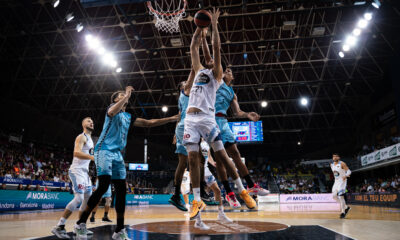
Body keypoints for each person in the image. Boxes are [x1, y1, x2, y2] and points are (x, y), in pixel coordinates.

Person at [183, 8, 256, 230]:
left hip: (207, 119)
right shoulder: (197, 71)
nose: (212, 60)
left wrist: (213, 24)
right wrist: (198, 29)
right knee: (193, 160)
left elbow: (216, 47)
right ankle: (196, 200)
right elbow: (193, 48)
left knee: (224, 157)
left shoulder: (216, 75)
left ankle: (242, 190)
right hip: (190, 120)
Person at [74, 86, 178, 239]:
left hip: (117, 154)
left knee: (122, 191)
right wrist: (127, 94)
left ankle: (119, 230)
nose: (125, 97)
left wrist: (171, 118)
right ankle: (80, 224)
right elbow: (111, 111)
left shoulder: (128, 117)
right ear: (116, 99)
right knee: (103, 185)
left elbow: (149, 123)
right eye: (121, 95)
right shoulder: (112, 109)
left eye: (125, 95)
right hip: (104, 150)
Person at [200, 25, 269, 201]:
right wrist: (204, 36)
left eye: (229, 71)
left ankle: (251, 186)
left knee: (235, 154)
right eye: (226, 70)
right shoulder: (216, 80)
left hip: (223, 121)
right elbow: (211, 55)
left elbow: (237, 111)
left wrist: (248, 115)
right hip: (211, 120)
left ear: (232, 77)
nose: (227, 72)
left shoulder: (232, 93)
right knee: (221, 160)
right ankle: (229, 192)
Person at [52, 117, 95, 239]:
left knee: (88, 199)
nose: (91, 122)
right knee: (79, 198)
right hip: (76, 171)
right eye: (88, 121)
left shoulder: (91, 140)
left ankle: (80, 226)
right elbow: (76, 153)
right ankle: (59, 226)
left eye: (92, 121)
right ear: (83, 124)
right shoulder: (81, 137)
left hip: (85, 173)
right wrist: (93, 158)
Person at [169, 69, 196, 212]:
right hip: (187, 127)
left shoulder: (183, 99)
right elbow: (192, 78)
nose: (188, 84)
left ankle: (176, 195)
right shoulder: (186, 92)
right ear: (182, 88)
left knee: (183, 162)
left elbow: (179, 116)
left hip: (182, 128)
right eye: (185, 84)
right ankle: (200, 194)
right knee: (195, 158)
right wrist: (194, 66)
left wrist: (175, 133)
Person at [200, 140, 232, 223]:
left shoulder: (207, 143)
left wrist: (213, 162)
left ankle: (221, 215)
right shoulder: (196, 140)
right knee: (200, 193)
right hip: (198, 170)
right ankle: (197, 217)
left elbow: (209, 156)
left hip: (206, 170)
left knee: (217, 191)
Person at [331, 153, 351, 219]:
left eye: (336, 156)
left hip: (342, 181)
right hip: (336, 182)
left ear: (339, 157)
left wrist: (345, 175)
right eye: (334, 156)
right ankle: (346, 207)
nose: (335, 157)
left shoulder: (342, 163)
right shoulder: (331, 165)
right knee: (334, 196)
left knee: (340, 197)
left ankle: (343, 212)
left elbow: (349, 171)